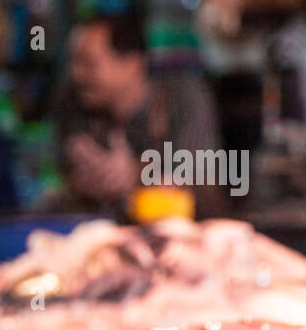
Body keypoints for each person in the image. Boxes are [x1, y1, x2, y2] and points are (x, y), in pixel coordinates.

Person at [51, 13, 222, 218]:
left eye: (87, 63)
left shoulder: (183, 98)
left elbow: (201, 178)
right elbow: (65, 176)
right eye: (74, 62)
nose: (76, 74)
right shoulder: (71, 101)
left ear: (132, 64)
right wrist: (83, 181)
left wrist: (135, 173)